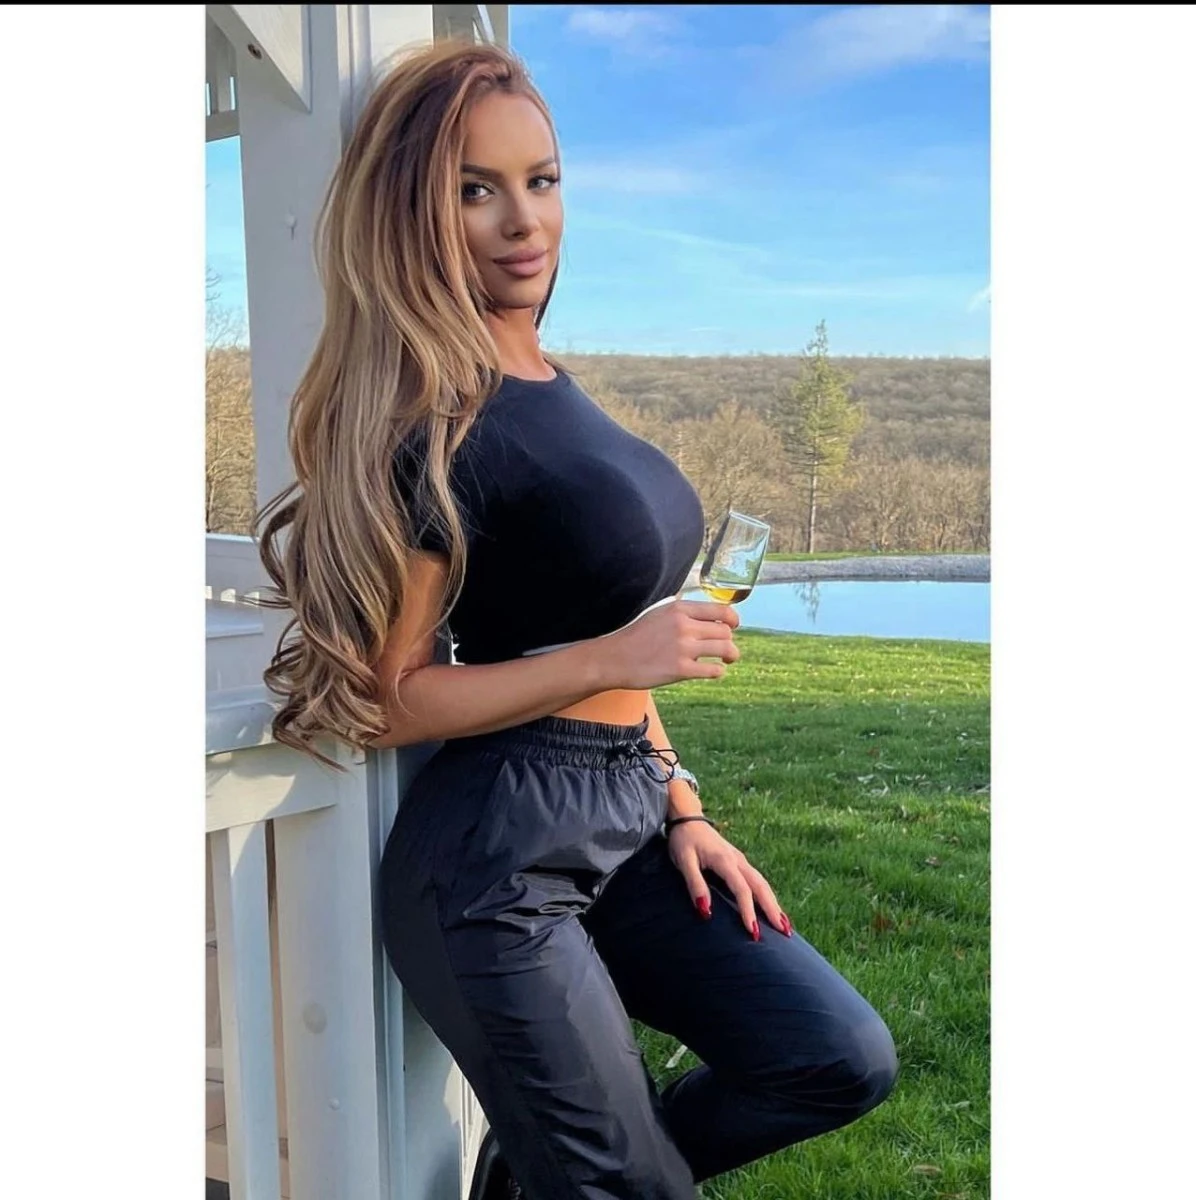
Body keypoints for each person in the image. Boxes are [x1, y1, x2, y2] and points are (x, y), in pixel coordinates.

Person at [257, 38, 897, 1200]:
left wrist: (682, 803)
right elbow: (384, 698)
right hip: (495, 860)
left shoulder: (554, 384)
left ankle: (536, 1178)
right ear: (412, 213)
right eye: (474, 189)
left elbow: (618, 635)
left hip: (628, 811)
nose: (522, 220)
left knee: (834, 1057)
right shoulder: (427, 420)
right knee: (624, 1185)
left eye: (539, 180)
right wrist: (611, 653)